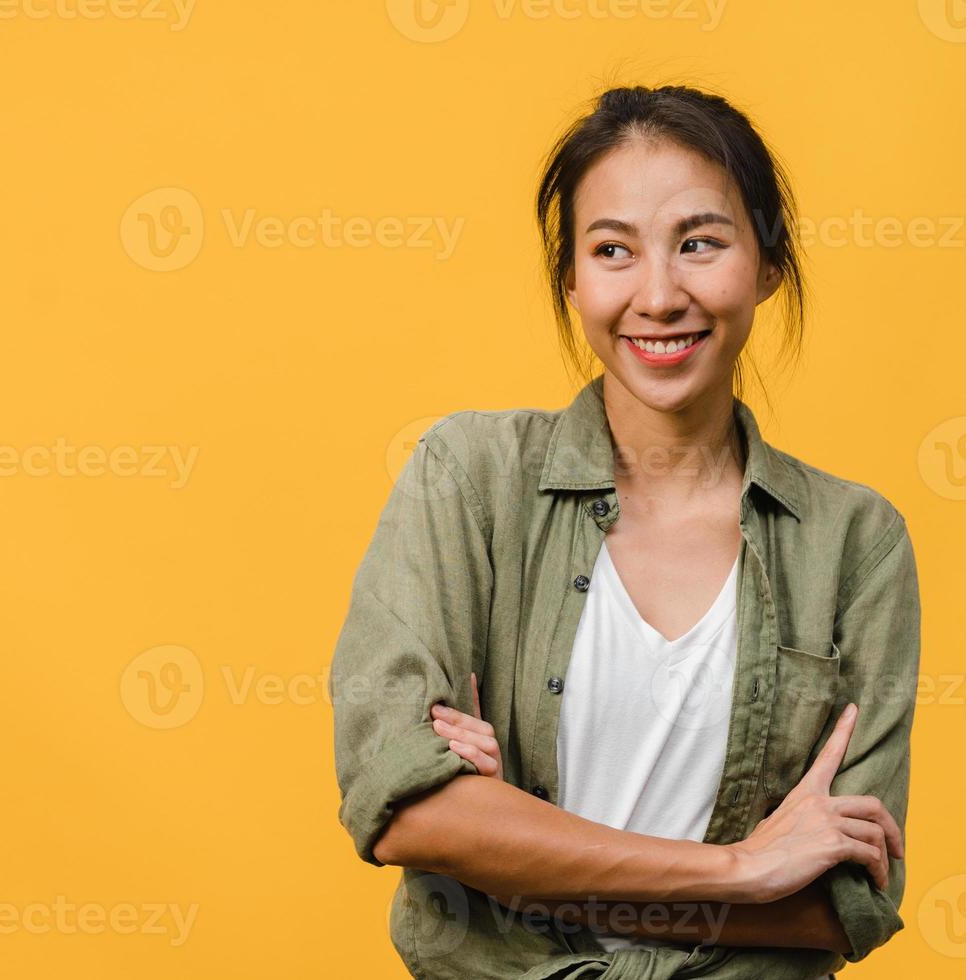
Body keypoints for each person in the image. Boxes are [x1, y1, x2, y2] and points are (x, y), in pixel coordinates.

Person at [329, 84, 920, 980]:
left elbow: (841, 907)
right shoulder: (470, 479)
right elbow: (404, 809)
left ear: (767, 264)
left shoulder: (856, 543)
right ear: (571, 278)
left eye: (700, 243)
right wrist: (742, 869)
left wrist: (509, 852)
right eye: (613, 250)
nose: (658, 295)